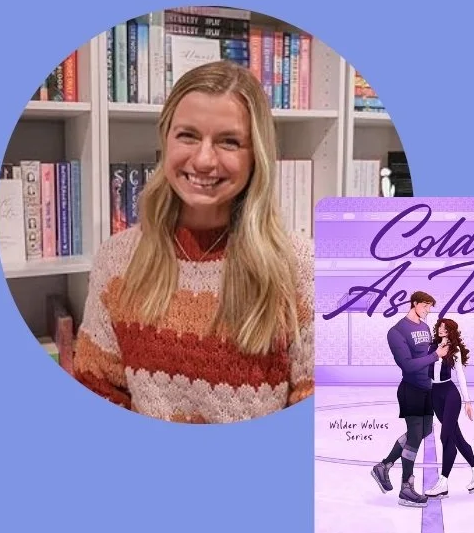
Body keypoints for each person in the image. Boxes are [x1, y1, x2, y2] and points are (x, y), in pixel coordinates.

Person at [71, 60, 314, 424]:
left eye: (229, 141)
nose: (203, 160)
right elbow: (98, 391)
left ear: (256, 155)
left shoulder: (301, 266)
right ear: (165, 138)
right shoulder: (117, 259)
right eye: (187, 135)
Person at [371, 291, 446, 507]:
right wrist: (435, 356)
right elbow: (407, 365)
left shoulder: (424, 328)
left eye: (430, 307)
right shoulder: (396, 332)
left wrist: (440, 353)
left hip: (428, 388)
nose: (428, 311)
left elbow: (428, 359)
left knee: (425, 431)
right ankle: (406, 488)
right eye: (425, 306)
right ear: (414, 304)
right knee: (414, 436)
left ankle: (384, 465)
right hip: (411, 389)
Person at [423, 318, 474, 498]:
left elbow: (460, 374)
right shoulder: (432, 347)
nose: (441, 329)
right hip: (435, 394)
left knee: (446, 437)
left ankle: (443, 483)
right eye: (440, 327)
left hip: (450, 395)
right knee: (457, 438)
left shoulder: (455, 350)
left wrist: (467, 401)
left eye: (445, 327)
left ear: (450, 330)